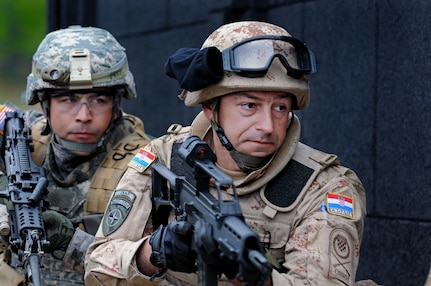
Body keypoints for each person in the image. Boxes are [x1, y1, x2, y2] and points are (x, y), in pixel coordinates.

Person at [84, 21, 368, 285]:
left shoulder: (325, 187)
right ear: (210, 107)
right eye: (249, 106)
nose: (268, 126)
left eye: (280, 107)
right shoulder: (164, 157)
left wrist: (255, 278)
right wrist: (155, 252)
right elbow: (96, 266)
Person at [0, 25, 152, 285]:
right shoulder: (22, 138)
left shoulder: (145, 167)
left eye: (98, 100)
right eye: (68, 99)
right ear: (44, 103)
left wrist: (70, 242)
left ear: (116, 104)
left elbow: (155, 271)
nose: (83, 115)